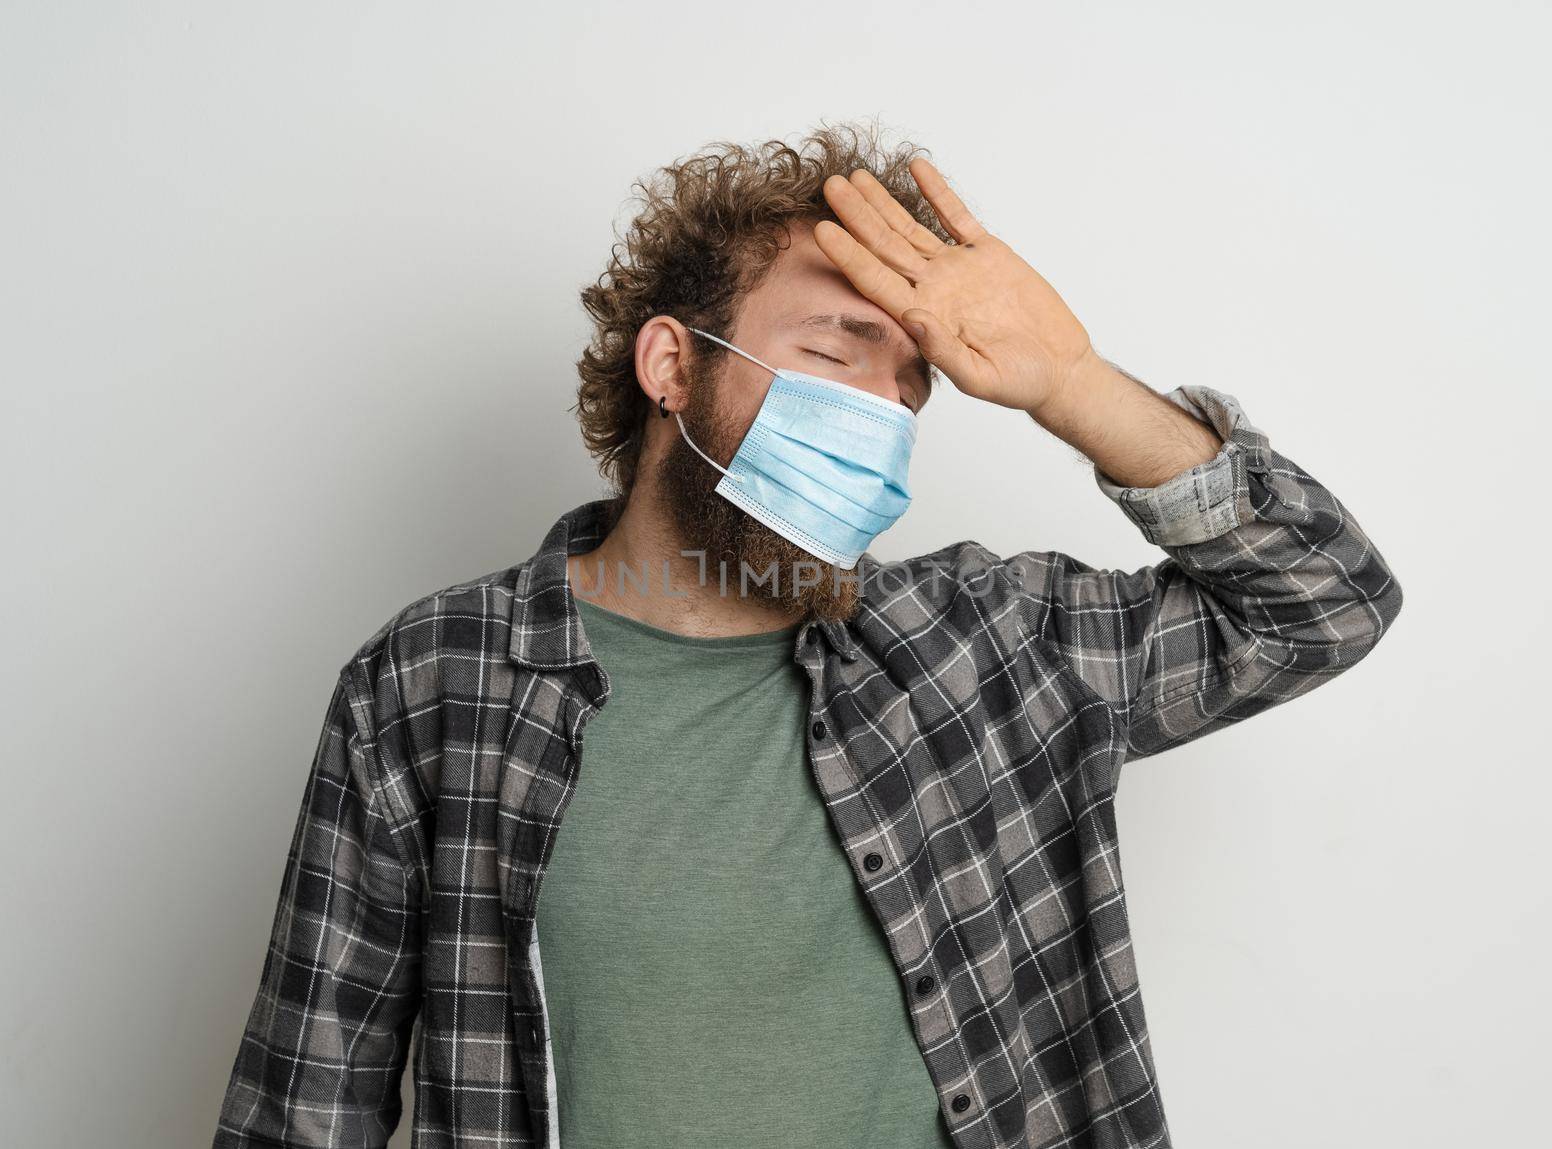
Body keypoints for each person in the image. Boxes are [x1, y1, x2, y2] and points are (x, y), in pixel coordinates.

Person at [213, 122, 1402, 1149]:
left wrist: (1070, 383)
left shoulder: (985, 646)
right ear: (672, 364)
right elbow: (306, 1103)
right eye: (833, 357)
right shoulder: (436, 682)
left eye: (910, 389)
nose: (879, 416)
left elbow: (1323, 601)